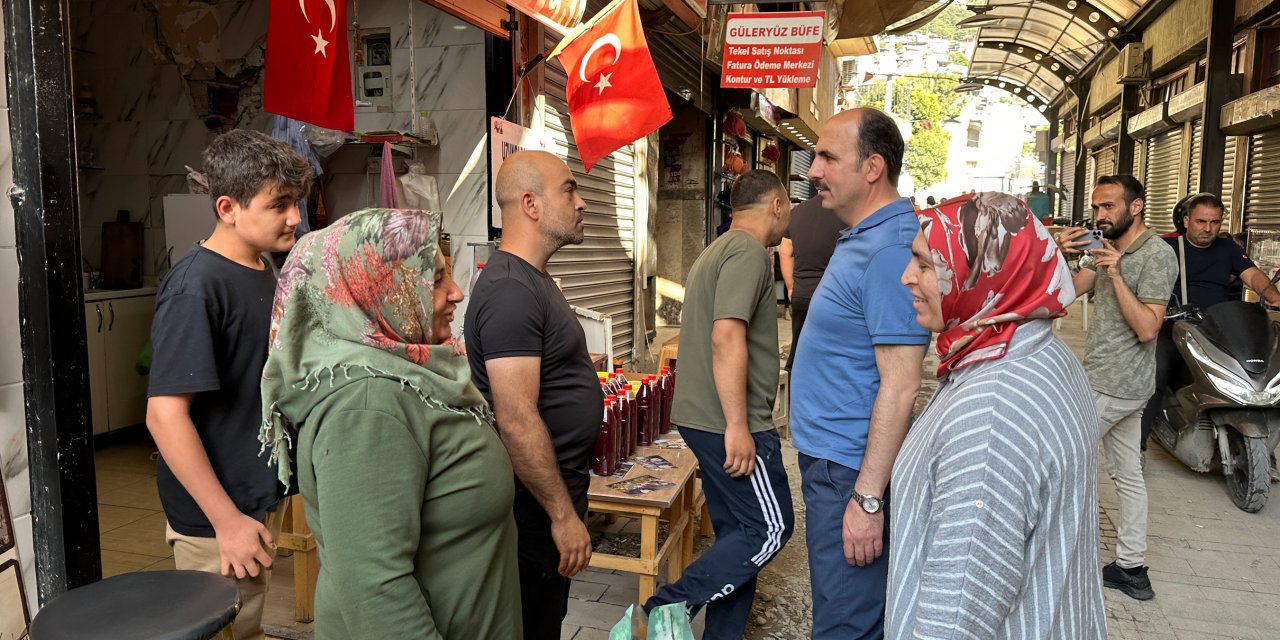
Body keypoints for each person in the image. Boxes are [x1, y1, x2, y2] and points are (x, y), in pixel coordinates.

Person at [259, 209, 521, 638]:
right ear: (375, 290)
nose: (456, 293)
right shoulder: (366, 406)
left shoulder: (412, 375)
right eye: (434, 280)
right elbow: (374, 588)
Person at [888, 193, 1106, 638]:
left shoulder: (989, 415)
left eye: (927, 265)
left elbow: (953, 617)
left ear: (981, 276)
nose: (907, 277)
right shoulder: (1039, 353)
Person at [145, 129, 311, 640]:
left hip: (255, 494)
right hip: (217, 515)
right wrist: (227, 522)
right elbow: (164, 415)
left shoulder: (263, 267)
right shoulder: (196, 285)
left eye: (296, 202)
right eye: (279, 204)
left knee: (249, 626)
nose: (295, 218)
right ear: (227, 207)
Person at [791, 107, 930, 638]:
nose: (813, 171)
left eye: (827, 156)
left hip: (849, 470)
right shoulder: (865, 235)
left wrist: (867, 501)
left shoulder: (890, 248)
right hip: (836, 463)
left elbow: (902, 384)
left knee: (846, 623)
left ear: (873, 168)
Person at [643, 170, 795, 638]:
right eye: (789, 205)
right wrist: (738, 425)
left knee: (739, 538)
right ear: (776, 205)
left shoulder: (716, 250)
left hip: (702, 416)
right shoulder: (748, 252)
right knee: (770, 529)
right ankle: (664, 608)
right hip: (728, 420)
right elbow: (726, 335)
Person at [464, 150, 602, 639]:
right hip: (534, 508)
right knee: (530, 625)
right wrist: (562, 516)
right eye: (569, 189)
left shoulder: (533, 280)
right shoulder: (510, 291)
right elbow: (516, 418)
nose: (583, 202)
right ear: (531, 204)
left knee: (545, 619)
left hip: (551, 495)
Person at [1057, 175, 1178, 601]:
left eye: (1108, 207)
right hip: (1109, 381)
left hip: (1116, 386)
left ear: (1137, 207)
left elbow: (1148, 328)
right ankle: (1131, 567)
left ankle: (1058, 562)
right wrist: (1060, 254)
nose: (1100, 216)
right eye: (1095, 208)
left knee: (1060, 465)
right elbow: (1066, 294)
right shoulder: (1104, 246)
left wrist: (1118, 273)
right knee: (1127, 476)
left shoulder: (1157, 256)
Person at [1142, 193, 1280, 450]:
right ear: (1186, 221)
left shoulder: (1227, 248)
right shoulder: (1166, 247)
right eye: (1201, 221)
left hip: (1217, 326)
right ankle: (1139, 445)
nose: (1208, 229)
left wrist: (1275, 297)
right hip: (1177, 325)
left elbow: (1253, 277)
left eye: (1215, 222)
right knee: (1157, 373)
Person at [778, 196, 846, 371]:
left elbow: (785, 252)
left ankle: (794, 395)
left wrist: (791, 286)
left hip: (802, 294)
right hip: (835, 296)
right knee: (831, 358)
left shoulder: (797, 212)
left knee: (799, 350)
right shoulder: (847, 211)